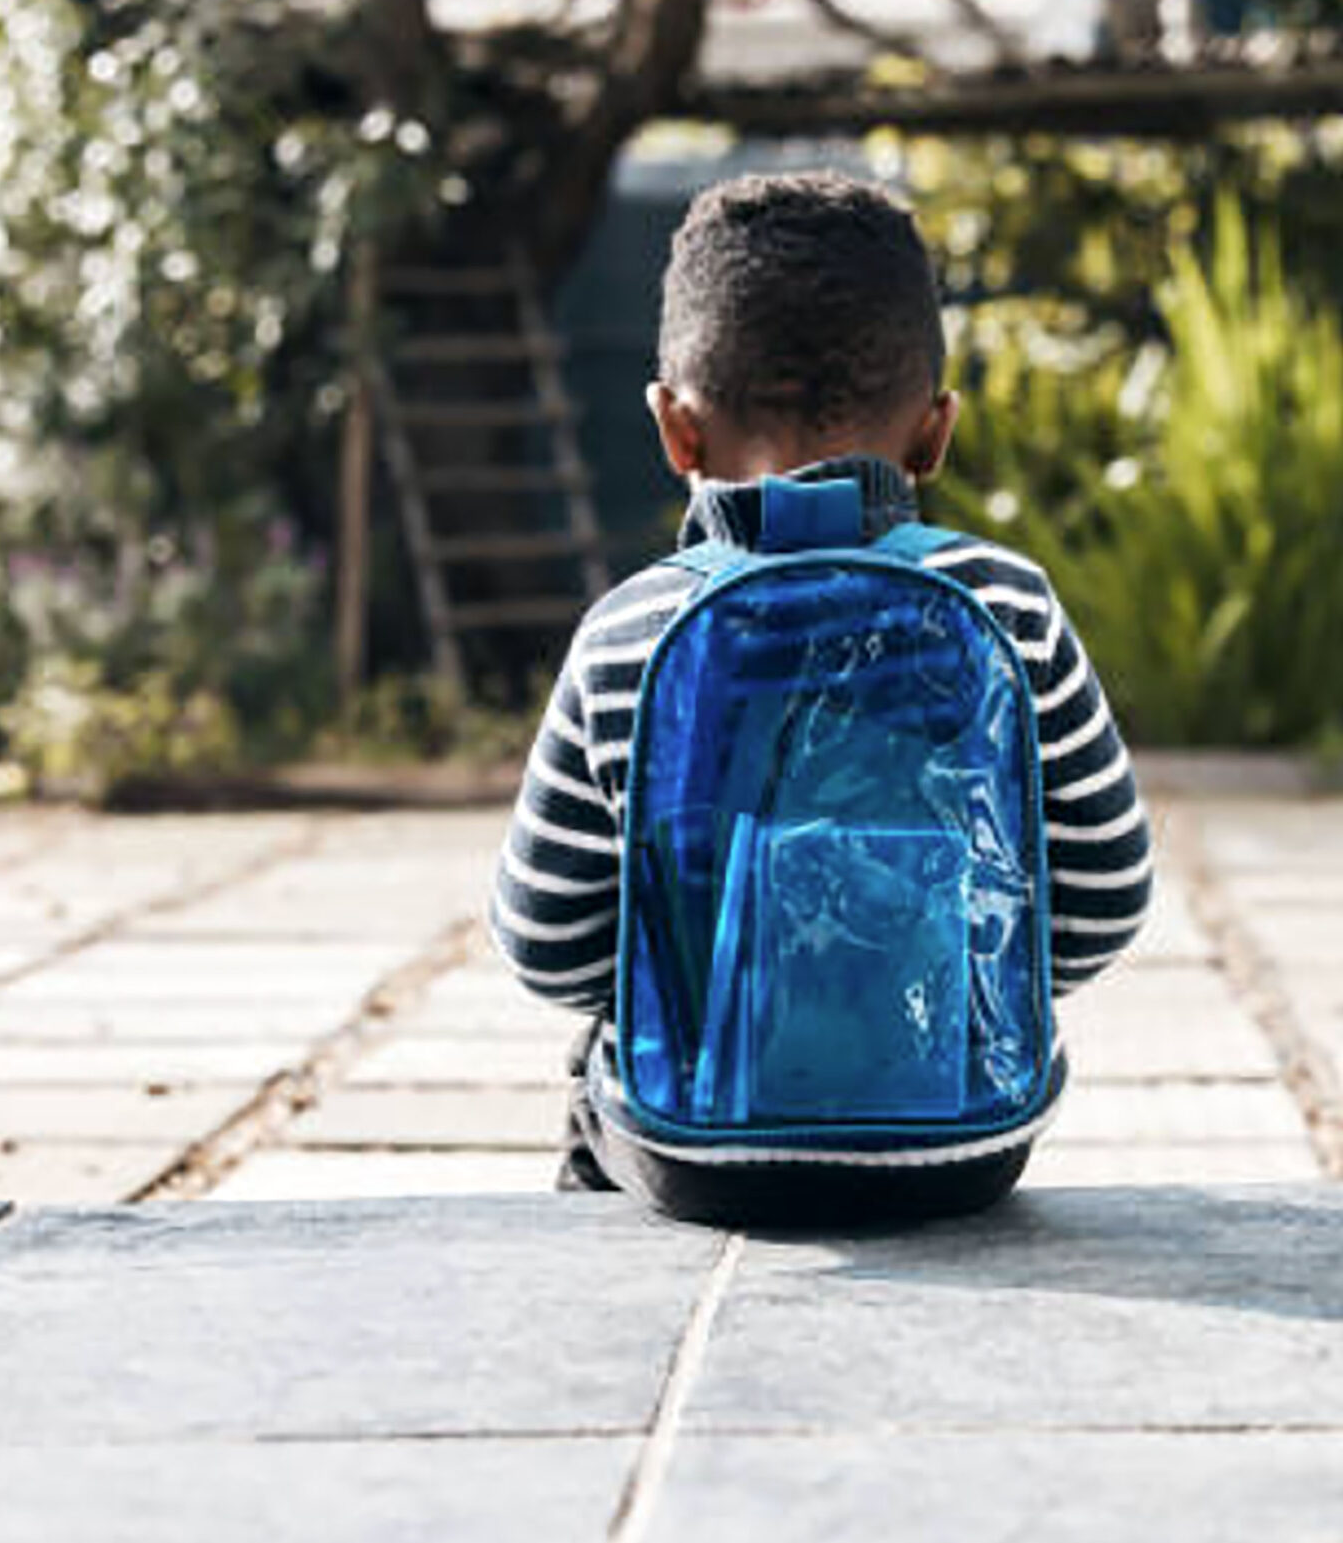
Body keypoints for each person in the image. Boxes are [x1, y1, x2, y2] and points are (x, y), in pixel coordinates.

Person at [489, 170, 1151, 1224]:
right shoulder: (1010, 605)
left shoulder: (626, 629)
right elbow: (1107, 900)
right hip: (963, 1144)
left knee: (592, 1074)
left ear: (674, 431)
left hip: (698, 1155)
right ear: (934, 434)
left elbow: (547, 945)